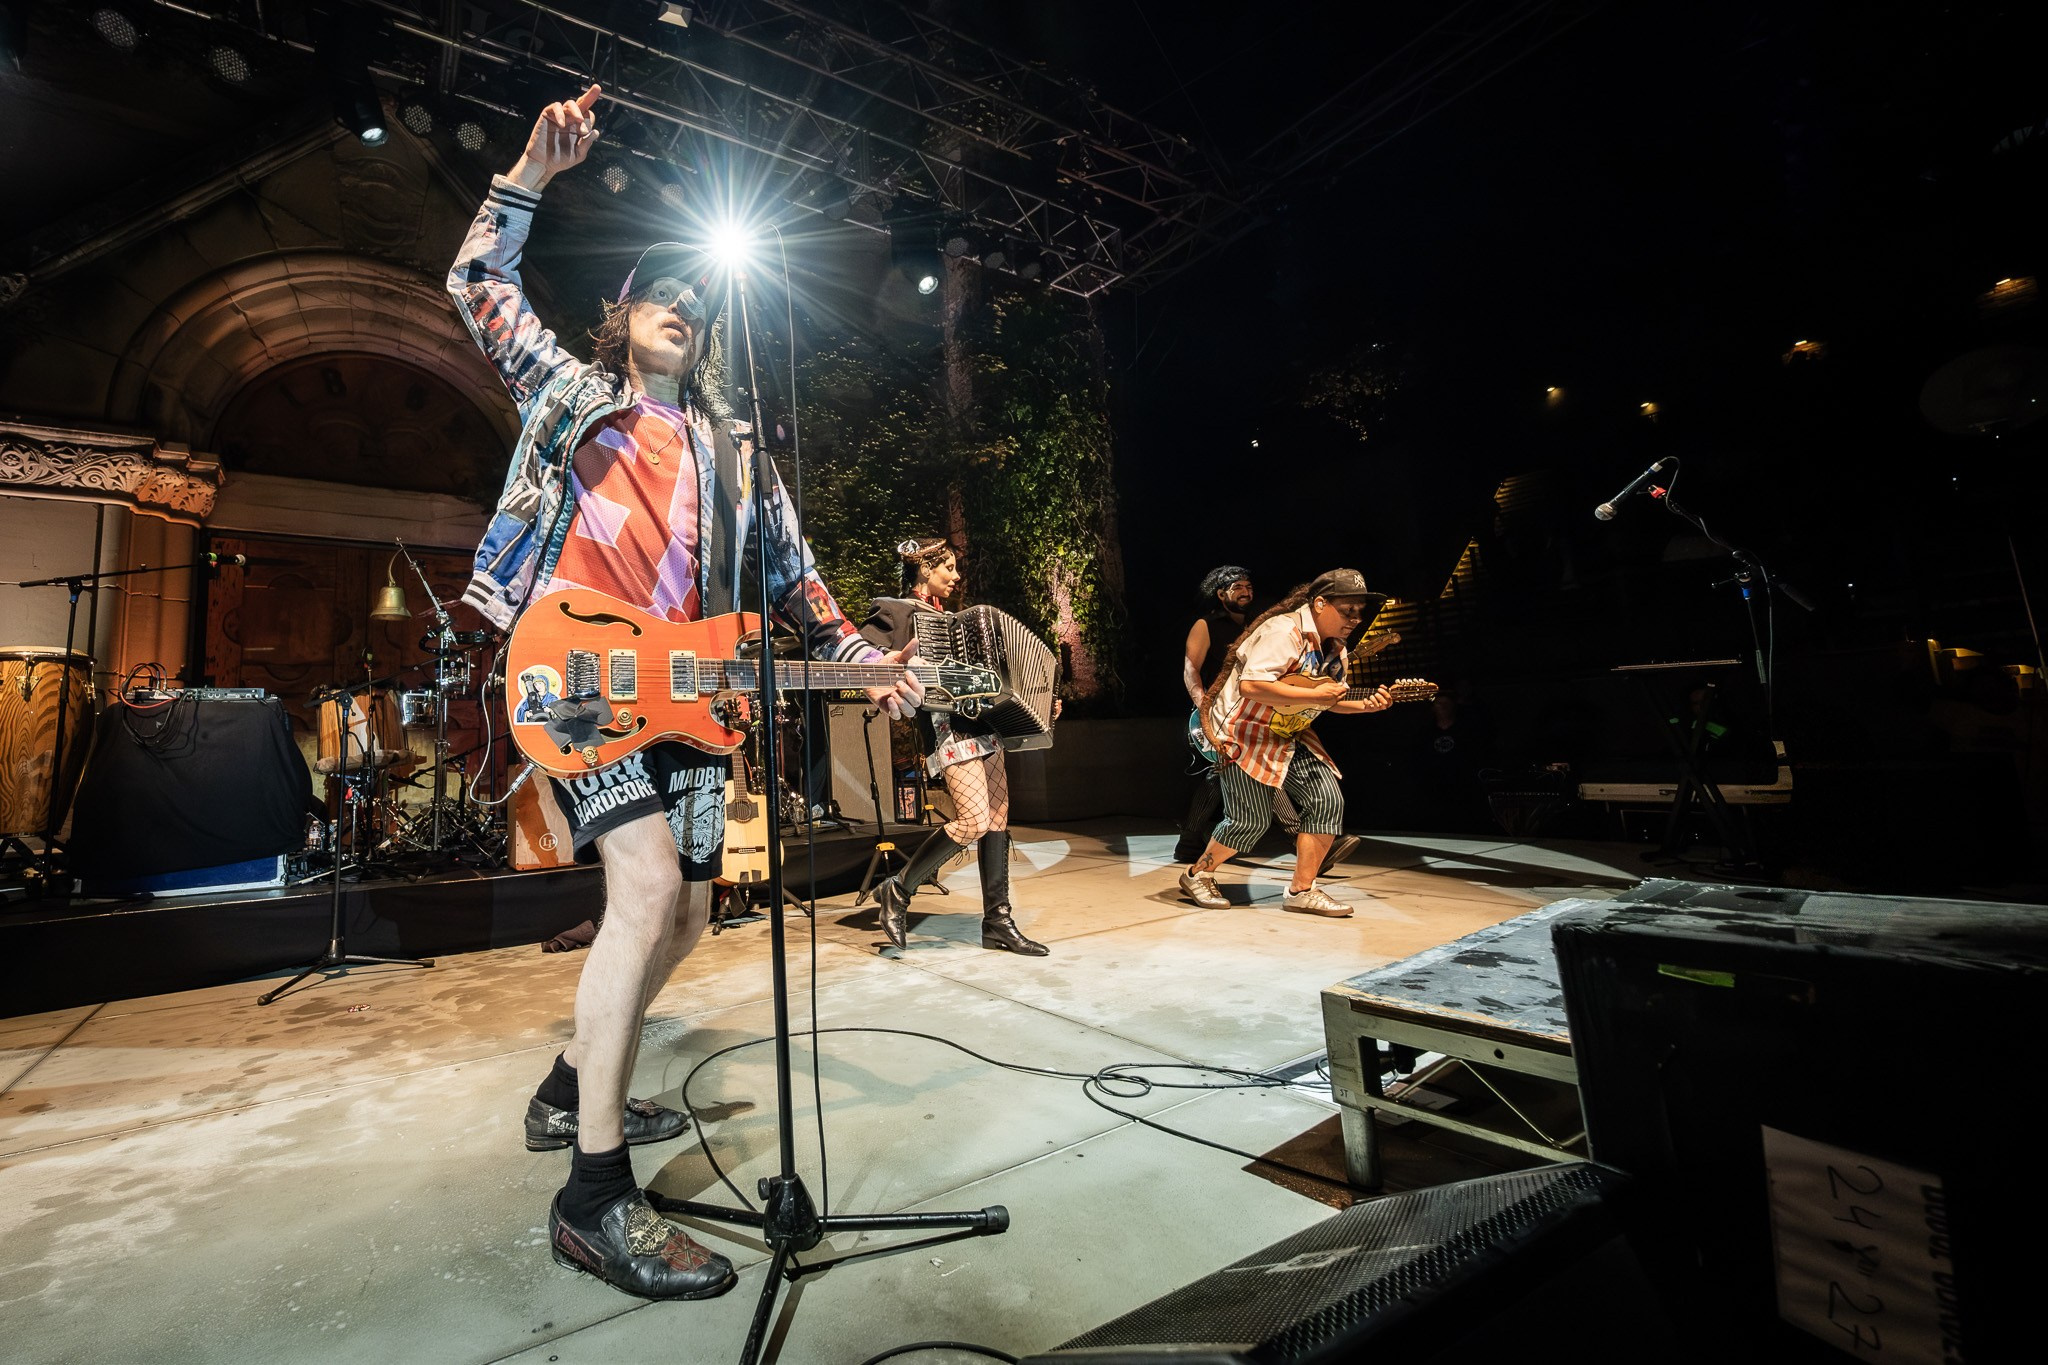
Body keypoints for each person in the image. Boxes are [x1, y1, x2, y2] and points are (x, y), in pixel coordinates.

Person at [448, 85, 923, 1302]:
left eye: (697, 303)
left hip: (692, 692)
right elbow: (476, 288)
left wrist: (874, 667)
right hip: (573, 674)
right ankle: (592, 1199)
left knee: (697, 913)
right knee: (644, 886)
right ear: (620, 316)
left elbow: (803, 586)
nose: (683, 307)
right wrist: (531, 173)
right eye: (661, 292)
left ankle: (568, 1091)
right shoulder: (569, 391)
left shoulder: (736, 456)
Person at [858, 537, 1049, 957]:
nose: (956, 576)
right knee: (973, 820)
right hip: (948, 727)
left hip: (986, 724)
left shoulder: (957, 620)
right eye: (949, 567)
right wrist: (895, 677)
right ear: (926, 569)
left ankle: (998, 921)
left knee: (997, 819)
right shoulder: (896, 610)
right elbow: (866, 661)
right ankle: (898, 889)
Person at [1179, 569, 1392, 917]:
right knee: (1250, 822)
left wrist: (1365, 706)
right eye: (1347, 610)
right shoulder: (1284, 631)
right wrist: (1322, 693)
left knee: (1327, 800)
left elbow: (1324, 700)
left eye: (1359, 611)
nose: (1355, 618)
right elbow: (1251, 685)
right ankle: (1197, 874)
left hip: (1287, 731)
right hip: (1241, 732)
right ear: (1320, 603)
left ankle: (1301, 890)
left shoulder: (1336, 650)